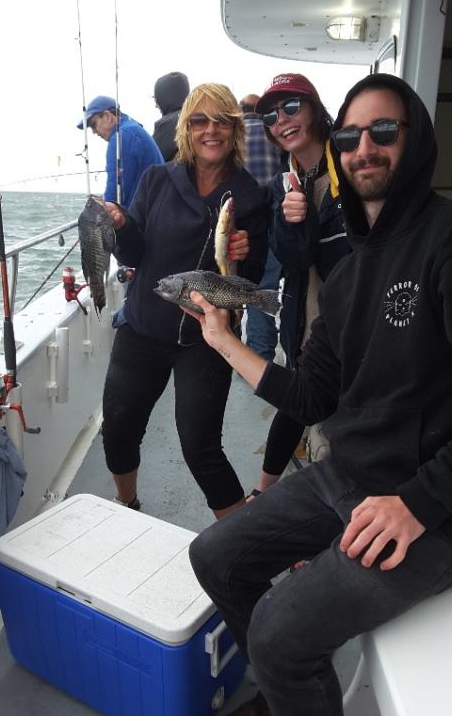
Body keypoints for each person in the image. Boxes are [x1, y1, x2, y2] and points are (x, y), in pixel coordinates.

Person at [187, 73, 452, 716]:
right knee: (215, 557)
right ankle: (289, 693)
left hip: (441, 510)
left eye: (383, 131)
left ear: (415, 140)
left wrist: (418, 503)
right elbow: (311, 396)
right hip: (352, 476)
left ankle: (284, 679)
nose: (365, 148)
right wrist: (222, 338)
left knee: (278, 632)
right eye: (350, 136)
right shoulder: (346, 277)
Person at [101, 83, 269, 519]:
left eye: (221, 121)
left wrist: (244, 255)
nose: (210, 129)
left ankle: (240, 543)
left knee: (200, 448)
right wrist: (121, 226)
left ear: (235, 129)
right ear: (186, 129)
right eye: (199, 120)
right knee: (118, 430)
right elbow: (133, 254)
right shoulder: (157, 180)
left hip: (206, 339)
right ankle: (127, 502)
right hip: (143, 327)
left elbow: (249, 281)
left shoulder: (251, 195)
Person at [248, 74, 349, 499]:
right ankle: (263, 492)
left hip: (350, 320)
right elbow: (293, 259)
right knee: (297, 395)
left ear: (315, 109)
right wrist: (292, 220)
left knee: (345, 412)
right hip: (303, 314)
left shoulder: (351, 167)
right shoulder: (282, 184)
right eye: (271, 116)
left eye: (291, 107)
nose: (282, 121)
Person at [239, 93, 283, 363]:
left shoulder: (234, 135)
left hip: (242, 221)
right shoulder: (273, 133)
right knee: (264, 288)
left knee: (233, 285)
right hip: (275, 217)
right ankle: (261, 355)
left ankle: (232, 352)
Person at [77, 95, 163, 210]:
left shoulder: (120, 137)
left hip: (148, 217)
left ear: (107, 116)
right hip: (158, 209)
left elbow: (114, 197)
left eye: (93, 125)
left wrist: (106, 204)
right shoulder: (132, 130)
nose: (93, 132)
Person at [152, 71, 190, 161]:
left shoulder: (167, 124)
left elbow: (152, 157)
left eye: (157, 100)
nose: (156, 105)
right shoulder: (191, 116)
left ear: (166, 98)